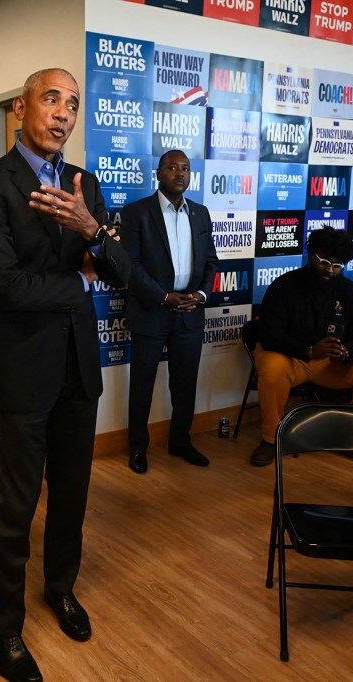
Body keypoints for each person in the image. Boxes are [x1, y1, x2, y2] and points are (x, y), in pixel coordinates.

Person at [0, 68, 130, 682]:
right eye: (52, 99)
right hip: (24, 368)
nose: (64, 114)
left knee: (73, 494)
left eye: (74, 104)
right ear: (21, 108)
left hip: (77, 368)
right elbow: (5, 285)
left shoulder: (84, 184)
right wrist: (80, 278)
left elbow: (113, 266)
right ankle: (3, 626)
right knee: (15, 504)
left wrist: (92, 237)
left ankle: (59, 588)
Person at [122, 149, 218, 474]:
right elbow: (130, 266)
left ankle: (180, 440)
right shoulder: (136, 213)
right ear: (159, 173)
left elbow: (210, 262)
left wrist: (201, 294)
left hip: (190, 312)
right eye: (172, 167)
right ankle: (138, 446)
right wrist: (164, 297)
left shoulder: (201, 214)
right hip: (152, 311)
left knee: (185, 382)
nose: (180, 173)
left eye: (186, 168)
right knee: (143, 384)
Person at [249, 227, 353, 466]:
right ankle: (271, 439)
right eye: (323, 262)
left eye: (337, 266)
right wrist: (309, 350)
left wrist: (347, 352)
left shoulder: (348, 290)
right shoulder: (284, 286)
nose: (329, 270)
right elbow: (270, 336)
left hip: (328, 363)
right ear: (311, 254)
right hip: (291, 357)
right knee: (272, 369)